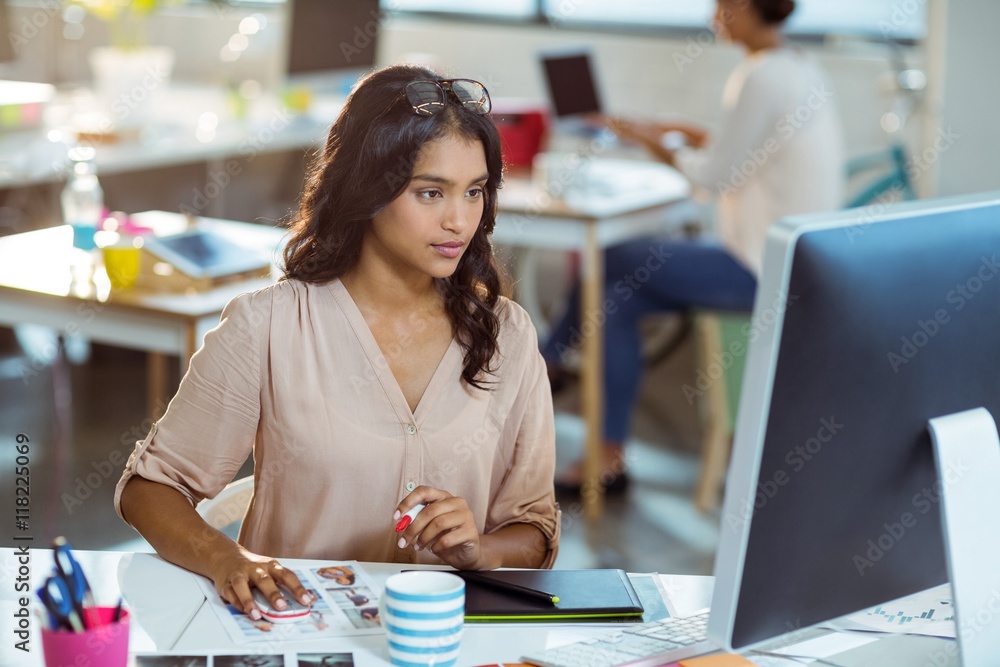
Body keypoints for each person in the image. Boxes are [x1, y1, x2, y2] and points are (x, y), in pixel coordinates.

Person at [115, 64, 560, 622]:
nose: (459, 219)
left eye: (475, 192)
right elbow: (150, 488)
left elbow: (535, 529)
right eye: (430, 192)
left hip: (441, 641)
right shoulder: (268, 326)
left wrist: (479, 550)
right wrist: (227, 559)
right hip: (292, 632)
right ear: (368, 189)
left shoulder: (508, 336)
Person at [542, 0, 845, 493]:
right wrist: (676, 131)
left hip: (760, 268)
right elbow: (745, 147)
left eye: (721, 7)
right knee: (615, 297)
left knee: (610, 255)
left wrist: (652, 142)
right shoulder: (798, 68)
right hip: (790, 262)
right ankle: (609, 458)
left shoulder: (760, 76)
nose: (713, 18)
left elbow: (714, 177)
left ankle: (548, 362)